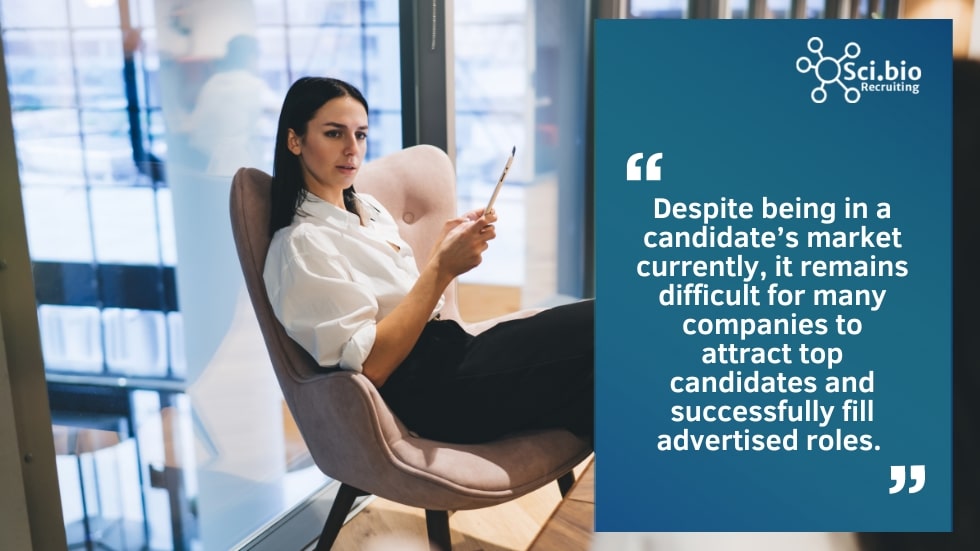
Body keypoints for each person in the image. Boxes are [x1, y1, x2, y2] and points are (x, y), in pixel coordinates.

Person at [263, 76, 593, 445]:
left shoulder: (366, 209)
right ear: (295, 140)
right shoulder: (303, 244)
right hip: (434, 390)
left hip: (454, 352)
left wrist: (441, 250)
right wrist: (442, 269)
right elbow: (370, 367)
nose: (352, 149)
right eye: (334, 134)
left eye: (360, 135)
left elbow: (404, 304)